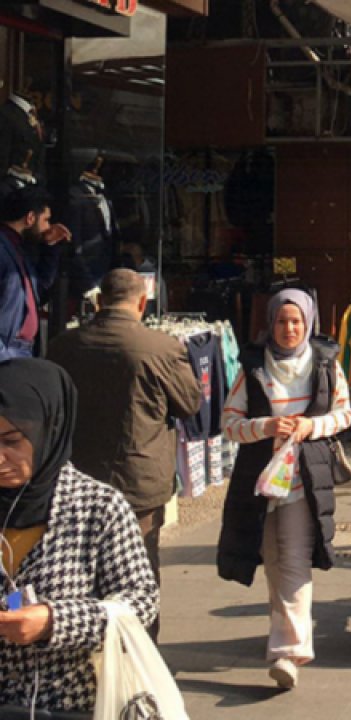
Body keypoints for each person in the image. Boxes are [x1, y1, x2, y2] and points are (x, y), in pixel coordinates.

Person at [45, 269, 202, 639]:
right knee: (139, 573)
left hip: (76, 479)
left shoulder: (63, 346)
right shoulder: (161, 348)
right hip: (139, 482)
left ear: (99, 302)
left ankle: (87, 652)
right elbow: (191, 403)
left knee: (78, 570)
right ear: (142, 303)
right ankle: (140, 659)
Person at [0, 359, 158, 713]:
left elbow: (142, 602)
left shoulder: (98, 508)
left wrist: (55, 621)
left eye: (11, 441)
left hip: (73, 704)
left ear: (49, 432)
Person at [217, 289, 351, 689]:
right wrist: (265, 427)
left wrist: (312, 426)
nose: (290, 328)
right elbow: (229, 422)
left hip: (304, 479)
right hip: (260, 478)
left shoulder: (326, 363)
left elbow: (344, 413)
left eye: (296, 321)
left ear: (308, 323)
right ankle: (285, 635)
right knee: (272, 559)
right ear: (271, 323)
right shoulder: (253, 365)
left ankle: (289, 652)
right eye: (282, 321)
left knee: (293, 558)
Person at [0, 187, 70, 361]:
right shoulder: (3, 249)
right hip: (7, 351)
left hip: (21, 350)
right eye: (46, 220)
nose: (48, 226)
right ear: (30, 218)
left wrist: (50, 246)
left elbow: (39, 286)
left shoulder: (18, 248)